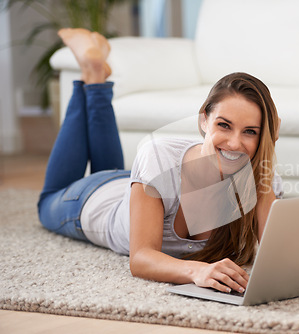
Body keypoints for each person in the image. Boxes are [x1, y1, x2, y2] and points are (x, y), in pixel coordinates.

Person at [38, 28, 282, 295]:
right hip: (90, 199)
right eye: (224, 125)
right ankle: (92, 72)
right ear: (204, 120)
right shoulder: (158, 155)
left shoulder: (261, 176)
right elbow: (141, 257)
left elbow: (282, 258)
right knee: (47, 200)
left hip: (134, 186)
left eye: (251, 132)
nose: (235, 143)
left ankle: (95, 71)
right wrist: (196, 270)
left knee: (112, 167)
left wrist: (263, 164)